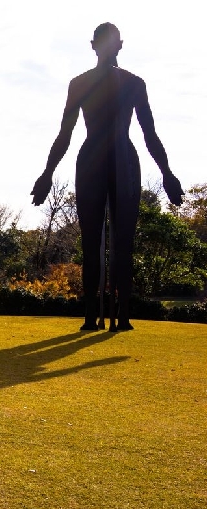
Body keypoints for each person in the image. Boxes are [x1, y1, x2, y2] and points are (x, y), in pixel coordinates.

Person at [31, 22, 185, 332]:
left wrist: (167, 173)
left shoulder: (133, 84)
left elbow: (149, 133)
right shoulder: (80, 84)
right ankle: (91, 316)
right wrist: (47, 173)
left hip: (123, 160)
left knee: (123, 242)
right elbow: (65, 133)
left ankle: (121, 317)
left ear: (119, 46)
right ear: (94, 46)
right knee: (92, 243)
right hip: (95, 162)